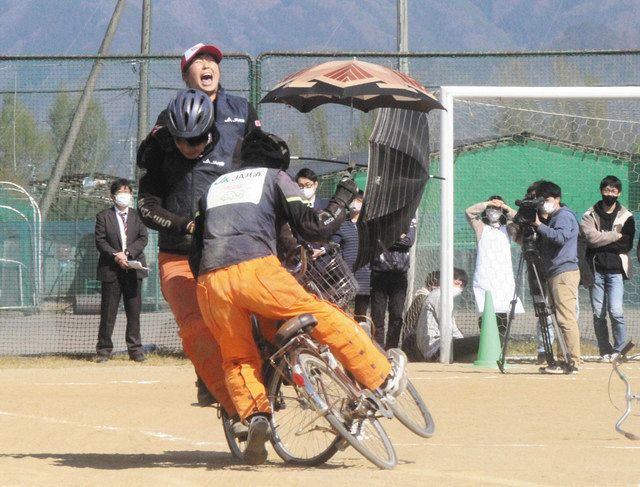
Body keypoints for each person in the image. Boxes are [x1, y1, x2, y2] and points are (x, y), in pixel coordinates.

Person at [193, 129, 407, 465]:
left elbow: (196, 252)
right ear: (277, 161)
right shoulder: (274, 178)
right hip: (256, 271)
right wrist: (343, 196)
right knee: (321, 314)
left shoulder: (214, 188)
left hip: (210, 282)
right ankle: (380, 374)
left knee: (237, 356)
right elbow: (315, 227)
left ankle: (255, 417)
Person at [137, 63, 258, 411]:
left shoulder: (234, 147)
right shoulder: (160, 152)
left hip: (228, 250)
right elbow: (146, 205)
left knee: (250, 320)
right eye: (181, 140)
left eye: (198, 139)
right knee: (197, 327)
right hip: (179, 255)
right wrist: (184, 226)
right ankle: (234, 404)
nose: (190, 146)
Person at [580, 175, 635, 362]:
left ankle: (619, 350)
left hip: (616, 271)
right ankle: (605, 349)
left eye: (613, 191)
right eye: (606, 190)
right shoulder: (590, 214)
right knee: (598, 312)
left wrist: (601, 241)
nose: (609, 194)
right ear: (601, 191)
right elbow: (590, 240)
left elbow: (626, 244)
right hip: (595, 270)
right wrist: (614, 236)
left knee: (616, 311)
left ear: (619, 193)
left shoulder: (627, 217)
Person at [95, 179, 148, 363]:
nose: (124, 195)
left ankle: (136, 351)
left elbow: (143, 238)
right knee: (108, 312)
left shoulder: (137, 216)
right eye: (121, 192)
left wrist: (128, 253)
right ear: (113, 196)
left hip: (133, 270)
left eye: (128, 192)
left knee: (134, 312)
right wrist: (116, 255)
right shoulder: (103, 217)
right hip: (111, 269)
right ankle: (104, 350)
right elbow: (100, 241)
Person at [532, 180, 580, 374]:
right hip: (555, 272)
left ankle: (573, 361)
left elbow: (560, 238)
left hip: (564, 272)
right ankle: (564, 360)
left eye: (548, 199)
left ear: (557, 199)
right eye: (541, 200)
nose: (544, 203)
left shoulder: (563, 216)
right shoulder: (553, 217)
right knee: (559, 319)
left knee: (566, 319)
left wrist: (538, 224)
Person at [466, 196, 524, 338]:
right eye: (491, 209)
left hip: (503, 277)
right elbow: (469, 212)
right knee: (486, 310)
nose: (494, 211)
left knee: (502, 310)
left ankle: (501, 339)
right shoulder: (481, 228)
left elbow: (520, 219)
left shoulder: (508, 228)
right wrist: (487, 203)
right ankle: (486, 340)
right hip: (485, 276)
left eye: (497, 209)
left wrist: (505, 207)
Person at [408, 268, 479, 362]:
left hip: (439, 346)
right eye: (456, 284)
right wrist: (462, 340)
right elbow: (447, 325)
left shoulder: (441, 296)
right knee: (480, 342)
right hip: (436, 348)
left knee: (475, 343)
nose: (459, 288)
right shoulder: (440, 295)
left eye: (461, 286)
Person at [370, 217, 417, 349]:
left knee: (397, 314)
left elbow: (408, 241)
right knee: (377, 314)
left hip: (399, 273)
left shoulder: (409, 217)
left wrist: (388, 236)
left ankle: (392, 348)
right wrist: (398, 235)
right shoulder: (379, 216)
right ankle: (377, 348)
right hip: (379, 272)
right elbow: (376, 240)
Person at [330, 189, 371, 320]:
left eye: (358, 200)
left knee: (361, 315)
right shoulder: (341, 224)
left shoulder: (368, 225)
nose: (355, 203)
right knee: (341, 312)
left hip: (365, 274)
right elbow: (333, 245)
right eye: (353, 199)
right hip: (345, 275)